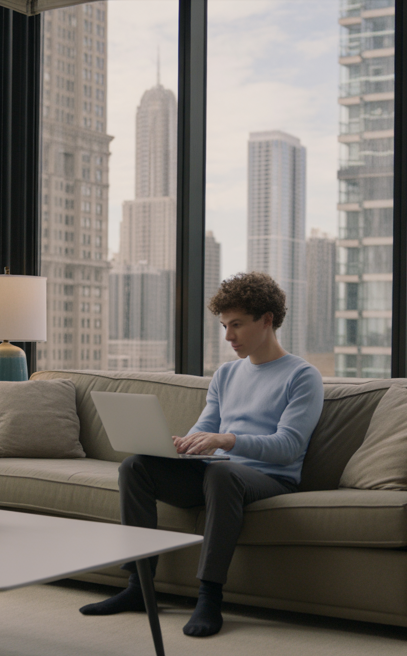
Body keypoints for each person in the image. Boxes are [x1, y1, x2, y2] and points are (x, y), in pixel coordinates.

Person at [79, 272, 324, 637]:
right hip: (216, 472)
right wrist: (181, 446)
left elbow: (287, 446)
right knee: (137, 467)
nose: (229, 337)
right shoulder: (225, 374)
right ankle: (137, 587)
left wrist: (226, 440)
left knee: (221, 474)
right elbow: (203, 428)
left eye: (237, 325)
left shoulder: (302, 376)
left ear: (267, 319)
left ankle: (209, 596)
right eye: (225, 326)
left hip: (270, 478)